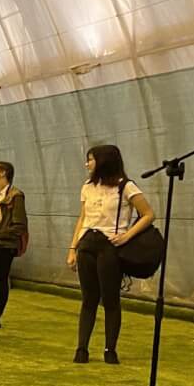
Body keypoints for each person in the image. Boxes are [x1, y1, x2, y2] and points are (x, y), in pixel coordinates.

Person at [68, 144, 154, 365]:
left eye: (91, 159)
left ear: (104, 161)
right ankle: (82, 348)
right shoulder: (88, 186)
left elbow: (148, 214)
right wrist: (73, 248)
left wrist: (126, 236)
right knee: (88, 299)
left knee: (110, 299)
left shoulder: (126, 186)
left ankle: (110, 349)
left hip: (110, 246)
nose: (87, 164)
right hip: (87, 243)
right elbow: (83, 218)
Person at [0, 161, 28, 329]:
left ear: (3, 173)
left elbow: (20, 225)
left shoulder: (15, 196)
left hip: (5, 245)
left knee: (1, 280)